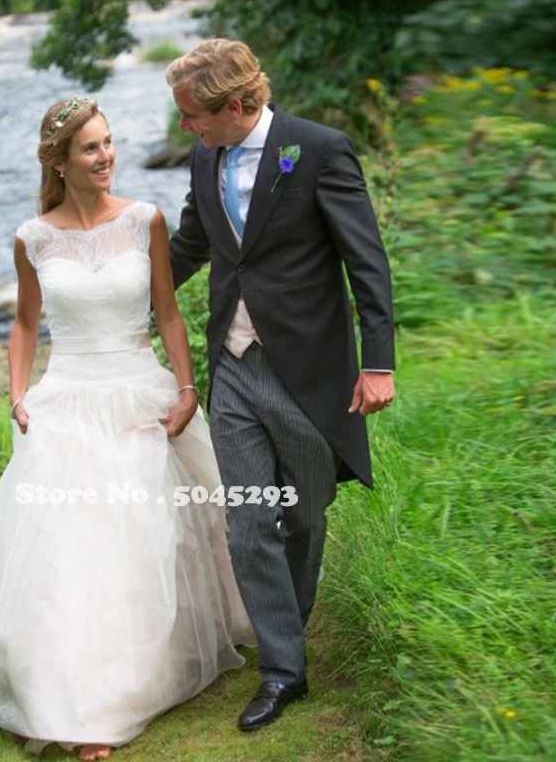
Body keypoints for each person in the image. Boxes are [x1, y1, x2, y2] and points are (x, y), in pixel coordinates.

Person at [0, 96, 254, 761]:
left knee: (140, 534)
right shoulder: (33, 237)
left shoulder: (143, 219)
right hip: (67, 399)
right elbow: (25, 324)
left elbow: (168, 313)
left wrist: (186, 389)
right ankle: (69, 693)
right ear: (60, 162)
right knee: (70, 544)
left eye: (108, 142)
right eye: (90, 148)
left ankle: (134, 677)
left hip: (138, 392)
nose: (106, 157)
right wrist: (18, 395)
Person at [165, 40, 396, 731]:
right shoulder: (204, 157)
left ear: (236, 104)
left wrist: (378, 362)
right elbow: (190, 244)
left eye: (192, 115)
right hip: (233, 366)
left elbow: (366, 259)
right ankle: (282, 671)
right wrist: (122, 295)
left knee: (304, 514)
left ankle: (286, 629)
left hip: (308, 368)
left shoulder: (319, 151)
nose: (184, 127)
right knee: (247, 522)